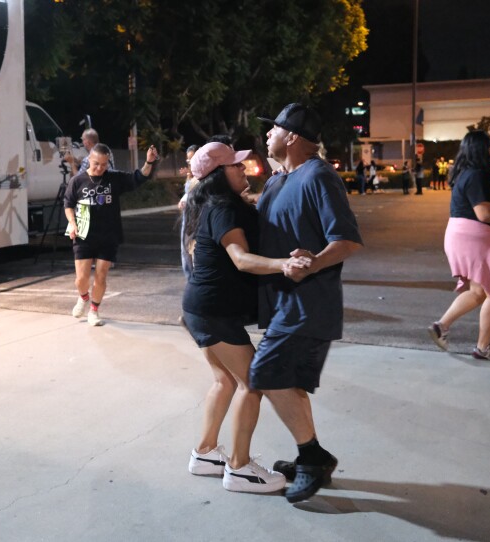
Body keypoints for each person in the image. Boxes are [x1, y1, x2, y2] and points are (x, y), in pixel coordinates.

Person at [182, 142, 311, 493]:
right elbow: (239, 258)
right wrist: (283, 265)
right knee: (252, 383)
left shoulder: (218, 205)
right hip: (212, 313)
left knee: (224, 381)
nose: (244, 169)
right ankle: (239, 468)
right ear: (217, 175)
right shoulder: (222, 208)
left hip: (200, 309)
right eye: (236, 166)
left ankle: (206, 453)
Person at [250, 103, 363, 503]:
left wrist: (313, 262)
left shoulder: (319, 176)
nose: (267, 135)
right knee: (288, 381)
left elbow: (346, 240)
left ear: (292, 137)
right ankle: (312, 456)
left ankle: (312, 456)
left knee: (264, 372)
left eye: (273, 129)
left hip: (309, 304)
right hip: (282, 304)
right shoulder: (280, 180)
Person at [427, 130, 490, 361]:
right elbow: (484, 214)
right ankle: (483, 348)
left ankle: (441, 327)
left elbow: (484, 200)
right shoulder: (477, 175)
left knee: (478, 291)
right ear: (481, 149)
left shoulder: (465, 173)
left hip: (462, 235)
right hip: (478, 238)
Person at [65, 143, 158, 326]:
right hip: (84, 234)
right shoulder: (77, 181)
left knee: (101, 275)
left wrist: (149, 161)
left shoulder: (114, 178)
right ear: (89, 160)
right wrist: (72, 223)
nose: (100, 168)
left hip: (108, 235)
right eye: (96, 163)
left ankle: (94, 310)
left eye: (104, 164)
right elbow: (68, 203)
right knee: (81, 279)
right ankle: (83, 297)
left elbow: (139, 177)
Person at [177, 144, 200, 280]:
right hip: (188, 220)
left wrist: (186, 199)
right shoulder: (191, 175)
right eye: (188, 160)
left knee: (193, 251)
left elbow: (195, 192)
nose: (190, 162)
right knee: (186, 251)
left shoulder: (203, 175)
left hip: (196, 221)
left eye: (193, 159)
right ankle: (191, 280)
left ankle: (195, 281)